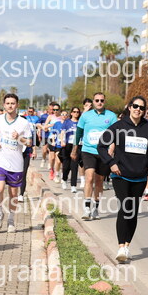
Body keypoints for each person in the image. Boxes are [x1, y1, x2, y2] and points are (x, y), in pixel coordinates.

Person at [97, 96, 148, 264]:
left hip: (140, 177)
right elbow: (101, 146)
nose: (138, 110)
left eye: (141, 107)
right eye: (135, 106)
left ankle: (127, 245)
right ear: (129, 107)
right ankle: (120, 247)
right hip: (120, 175)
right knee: (124, 208)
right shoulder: (118, 126)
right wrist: (111, 163)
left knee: (132, 211)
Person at [0, 93, 32, 233]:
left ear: (17, 105)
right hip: (0, 160)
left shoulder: (23, 123)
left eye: (13, 103)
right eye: (7, 103)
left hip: (16, 163)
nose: (10, 106)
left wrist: (19, 138)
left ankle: (11, 219)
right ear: (4, 105)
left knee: (13, 194)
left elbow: (29, 142)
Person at [72, 92, 116, 221]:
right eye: (97, 100)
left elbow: (115, 135)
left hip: (103, 152)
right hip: (88, 150)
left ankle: (95, 208)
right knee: (89, 177)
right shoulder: (86, 116)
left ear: (104, 101)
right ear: (93, 102)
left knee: (99, 181)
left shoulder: (111, 116)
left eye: (101, 100)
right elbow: (78, 133)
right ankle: (86, 208)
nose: (99, 102)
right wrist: (74, 149)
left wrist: (111, 149)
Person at [60, 107, 81, 193]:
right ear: (71, 113)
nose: (76, 113)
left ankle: (73, 185)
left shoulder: (80, 122)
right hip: (67, 145)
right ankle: (64, 179)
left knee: (74, 166)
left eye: (77, 112)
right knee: (66, 166)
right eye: (74, 112)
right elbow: (62, 132)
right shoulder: (67, 122)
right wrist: (62, 141)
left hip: (77, 145)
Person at [44, 104, 63, 181]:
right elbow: (45, 127)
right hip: (51, 138)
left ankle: (57, 172)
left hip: (60, 139)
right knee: (52, 158)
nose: (55, 111)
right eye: (53, 110)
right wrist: (51, 125)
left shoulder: (62, 117)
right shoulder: (50, 117)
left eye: (56, 110)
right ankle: (51, 170)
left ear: (59, 110)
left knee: (58, 158)